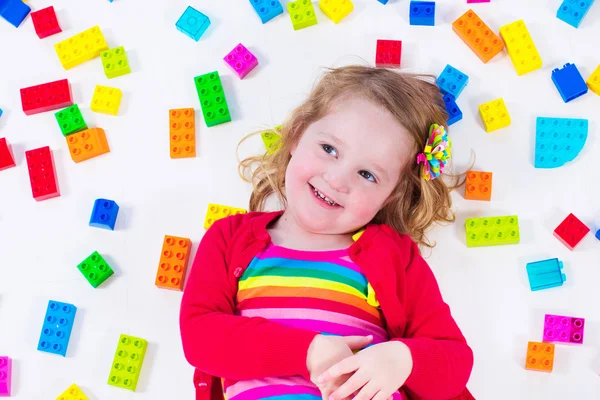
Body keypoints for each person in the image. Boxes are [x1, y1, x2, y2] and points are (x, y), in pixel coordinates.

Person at [180, 65, 474, 400]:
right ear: (297, 134)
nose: (337, 179)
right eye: (329, 149)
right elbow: (200, 337)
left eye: (367, 174)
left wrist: (404, 360)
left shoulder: (396, 256)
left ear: (390, 194)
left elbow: (454, 362)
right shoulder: (229, 238)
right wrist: (306, 351)